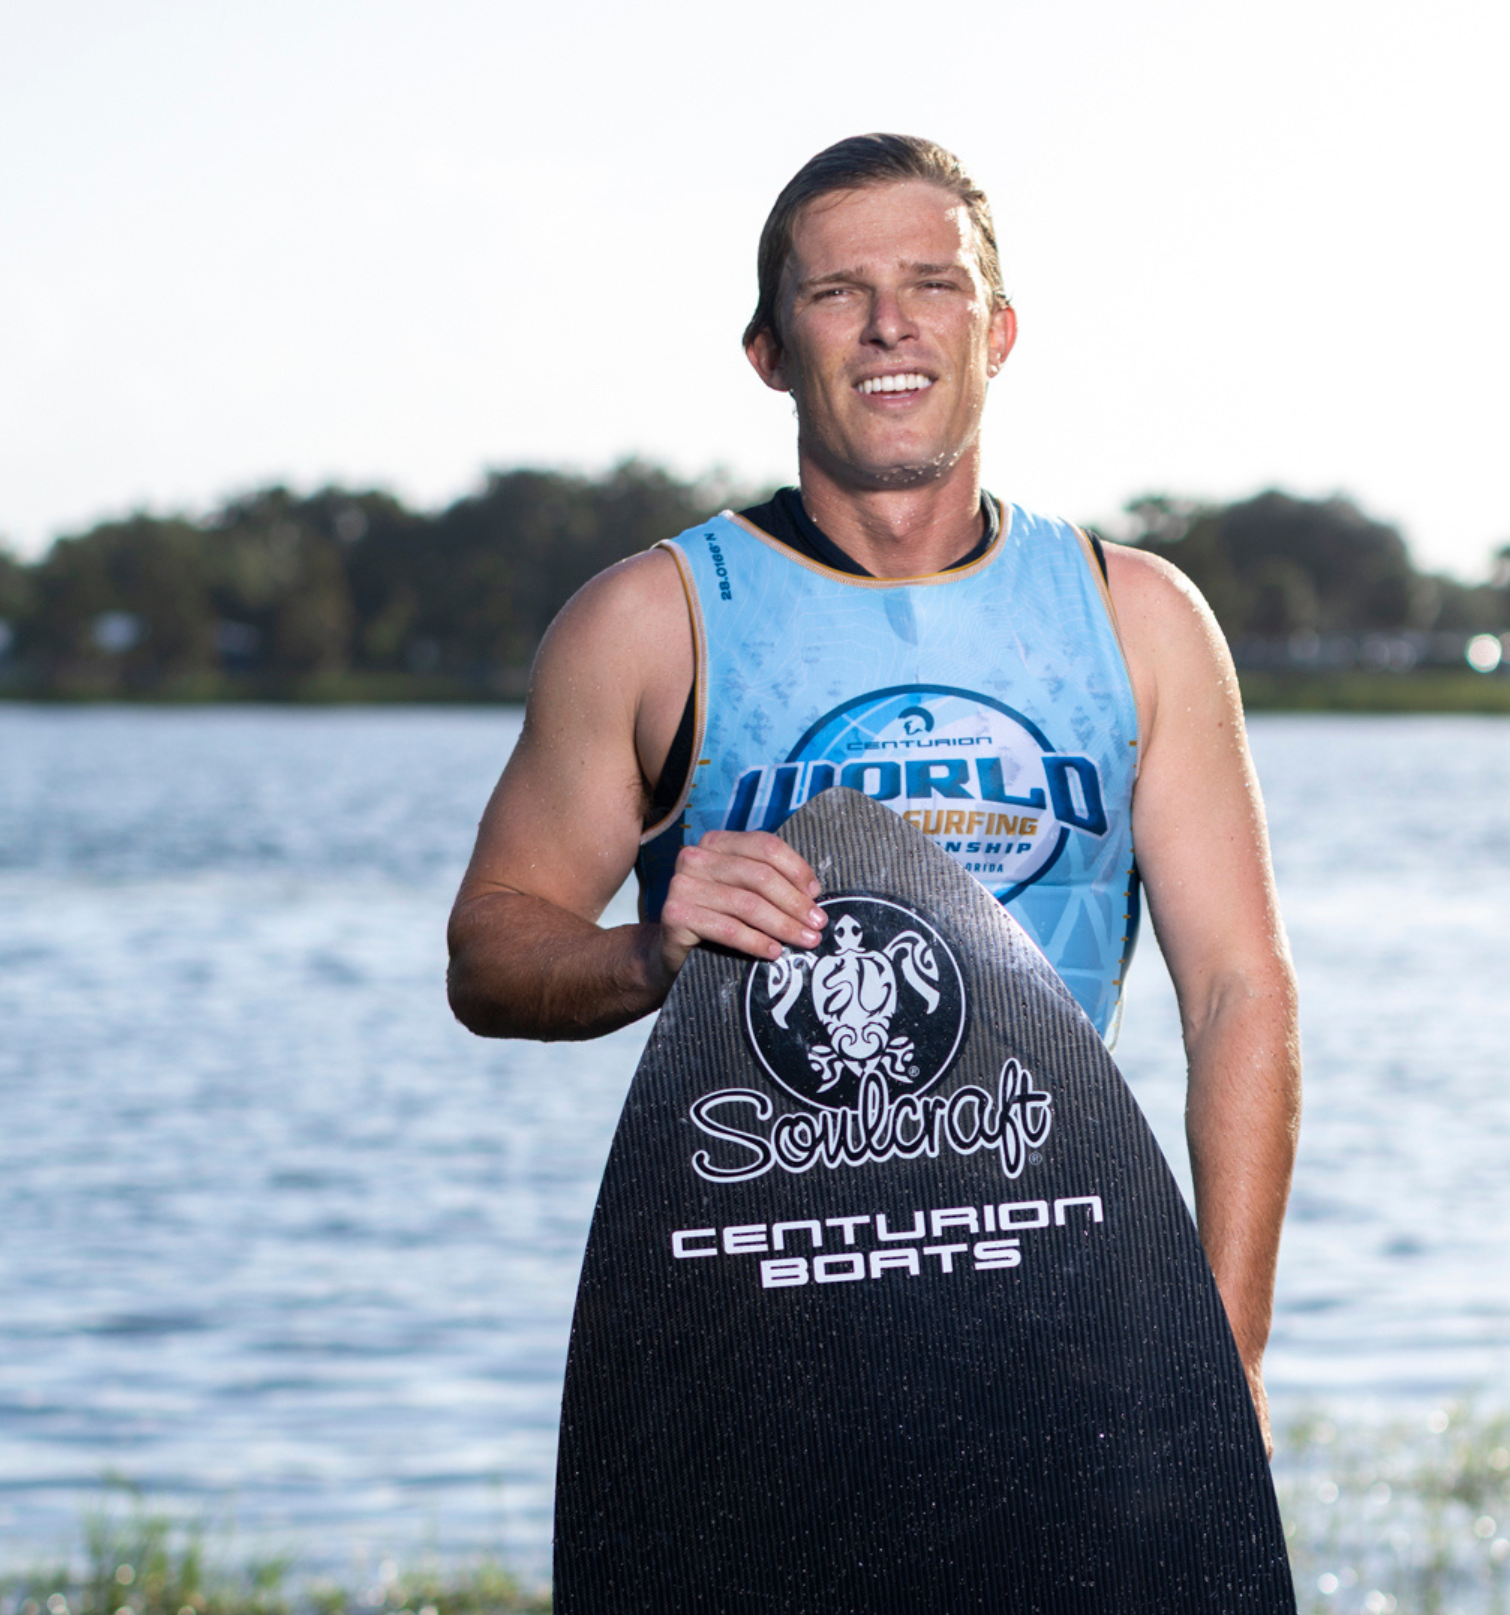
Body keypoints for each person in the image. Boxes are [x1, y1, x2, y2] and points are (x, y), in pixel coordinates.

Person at [447, 134, 1298, 1449]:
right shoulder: (654, 622)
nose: (891, 323)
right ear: (770, 351)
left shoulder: (1135, 619)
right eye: (838, 291)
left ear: (997, 331)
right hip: (757, 1337)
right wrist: (645, 952)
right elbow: (490, 955)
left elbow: (1239, 991)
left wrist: (1225, 1355)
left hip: (1060, 1311)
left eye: (934, 283)